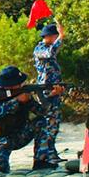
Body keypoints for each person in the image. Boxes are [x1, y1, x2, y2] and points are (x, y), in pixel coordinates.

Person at [0, 66, 64, 172]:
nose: (21, 84)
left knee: (41, 122)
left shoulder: (24, 94)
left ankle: (41, 161)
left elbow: (42, 111)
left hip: (19, 135)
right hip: (0, 139)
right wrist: (17, 100)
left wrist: (52, 96)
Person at [31, 19, 67, 158]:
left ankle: (51, 152)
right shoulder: (40, 49)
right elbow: (50, 53)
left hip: (54, 91)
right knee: (46, 123)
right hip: (45, 91)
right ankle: (43, 153)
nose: (56, 39)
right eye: (55, 36)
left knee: (54, 123)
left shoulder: (48, 48)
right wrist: (61, 37)